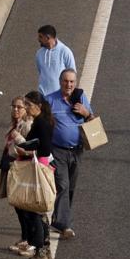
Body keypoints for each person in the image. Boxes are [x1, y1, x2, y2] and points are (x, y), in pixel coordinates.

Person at [45, 69, 94, 240]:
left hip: (77, 150)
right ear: (60, 82)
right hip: (57, 150)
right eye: (66, 81)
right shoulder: (50, 100)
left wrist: (86, 113)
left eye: (72, 82)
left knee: (70, 187)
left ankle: (59, 217)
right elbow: (42, 125)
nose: (69, 85)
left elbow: (92, 119)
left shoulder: (81, 98)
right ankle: (64, 224)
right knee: (63, 185)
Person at [12, 91, 55, 259]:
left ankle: (40, 253)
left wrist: (24, 148)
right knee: (40, 212)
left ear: (39, 106)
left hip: (38, 170)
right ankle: (44, 251)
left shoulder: (42, 124)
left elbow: (44, 149)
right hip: (41, 167)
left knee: (33, 212)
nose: (26, 108)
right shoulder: (41, 121)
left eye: (29, 105)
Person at [3, 97, 35, 255]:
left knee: (24, 207)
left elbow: (31, 149)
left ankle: (29, 241)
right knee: (18, 206)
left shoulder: (27, 125)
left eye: (20, 107)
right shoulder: (14, 124)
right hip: (13, 167)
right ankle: (25, 238)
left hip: (22, 169)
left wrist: (17, 137)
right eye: (14, 106)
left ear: (26, 109)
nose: (16, 110)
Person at [36, 25, 77, 98]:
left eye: (40, 37)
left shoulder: (65, 51)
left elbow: (72, 75)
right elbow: (41, 72)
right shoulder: (39, 54)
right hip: (42, 96)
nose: (38, 39)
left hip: (59, 97)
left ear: (48, 37)